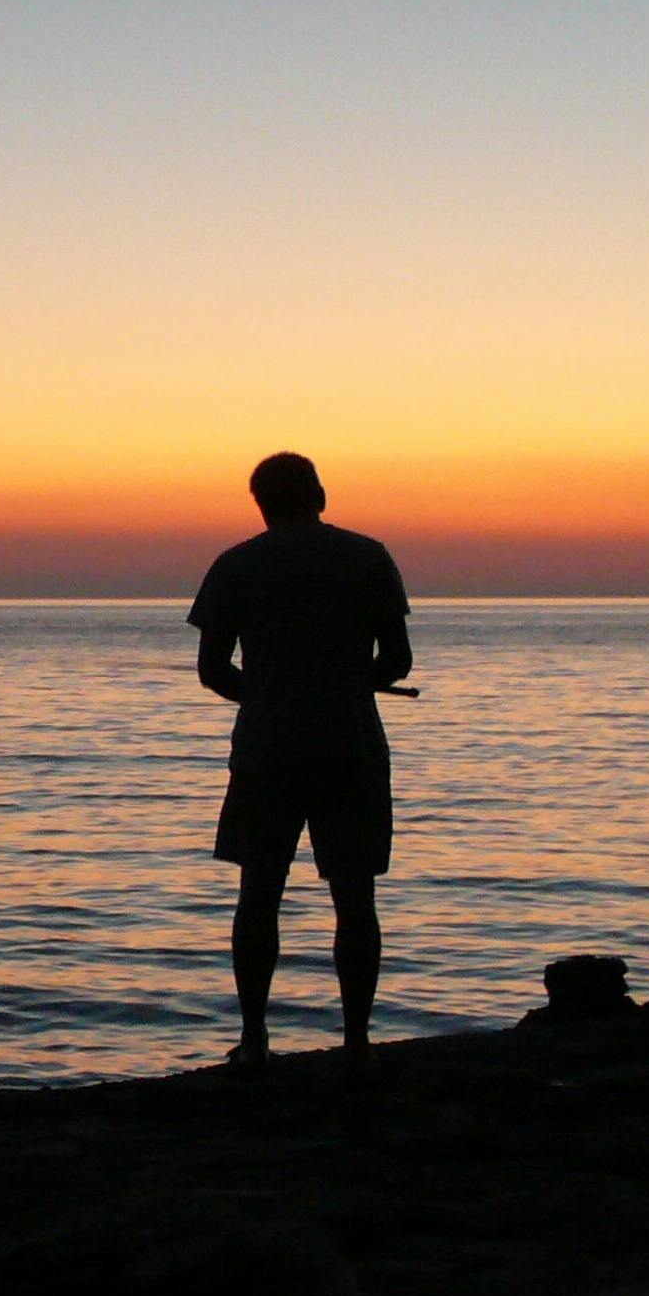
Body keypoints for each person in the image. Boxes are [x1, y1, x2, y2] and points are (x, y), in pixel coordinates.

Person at [189, 452, 409, 1065]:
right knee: (355, 895)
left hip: (267, 749)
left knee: (258, 891)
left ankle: (254, 1038)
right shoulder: (369, 557)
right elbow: (397, 662)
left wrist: (264, 693)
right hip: (351, 745)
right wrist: (345, 681)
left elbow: (211, 670)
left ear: (260, 502)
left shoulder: (235, 565)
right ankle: (357, 1040)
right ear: (320, 494)